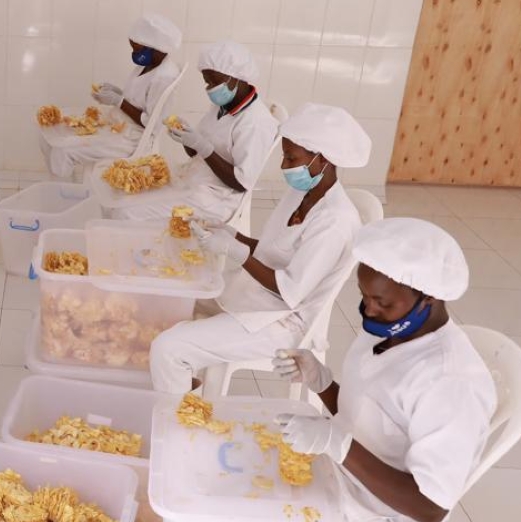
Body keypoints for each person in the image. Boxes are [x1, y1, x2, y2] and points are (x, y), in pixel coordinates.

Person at [121, 217, 496, 522]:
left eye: (382, 303)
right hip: (340, 473)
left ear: (428, 298)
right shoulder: (395, 332)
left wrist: (336, 443)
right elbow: (371, 415)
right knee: (207, 465)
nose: (369, 310)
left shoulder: (450, 383)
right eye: (365, 297)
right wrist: (322, 383)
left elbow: (430, 506)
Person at [146, 104, 368, 398]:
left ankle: (178, 426)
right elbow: (270, 250)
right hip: (254, 295)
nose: (284, 166)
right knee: (168, 302)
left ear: (322, 160)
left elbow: (290, 290)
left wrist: (234, 251)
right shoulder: (302, 193)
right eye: (284, 155)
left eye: (292, 158)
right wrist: (231, 233)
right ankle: (187, 391)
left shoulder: (335, 222)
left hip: (282, 321)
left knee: (169, 348)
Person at [124, 41, 278, 223]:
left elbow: (241, 183)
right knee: (128, 193)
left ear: (236, 77)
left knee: (128, 212)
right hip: (194, 181)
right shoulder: (223, 104)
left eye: (215, 81)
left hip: (216, 200)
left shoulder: (256, 123)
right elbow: (195, 152)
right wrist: (186, 138)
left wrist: (203, 147)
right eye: (207, 82)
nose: (210, 88)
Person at [40, 13, 183, 179]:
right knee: (49, 133)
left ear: (156, 47)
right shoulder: (150, 65)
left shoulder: (164, 77)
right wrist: (117, 94)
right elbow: (139, 99)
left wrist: (119, 101)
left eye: (137, 49)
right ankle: (66, 191)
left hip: (132, 140)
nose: (134, 53)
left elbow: (153, 125)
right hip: (119, 125)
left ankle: (61, 197)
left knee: (62, 152)